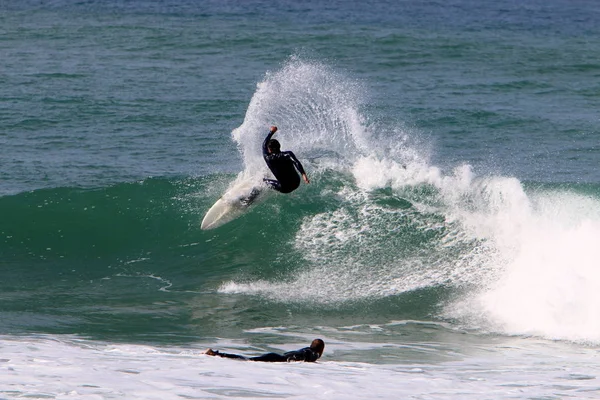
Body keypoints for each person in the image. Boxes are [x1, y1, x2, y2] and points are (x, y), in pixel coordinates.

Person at [262, 126, 309, 193]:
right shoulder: (288, 154)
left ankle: (248, 199)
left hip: (285, 188)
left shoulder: (267, 158)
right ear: (279, 146)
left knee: (263, 181)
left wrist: (271, 132)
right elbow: (296, 162)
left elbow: (264, 145)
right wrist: (303, 174)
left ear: (269, 150)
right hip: (296, 183)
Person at [204, 338, 325, 363]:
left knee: (249, 359)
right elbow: (306, 357)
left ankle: (216, 354)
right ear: (321, 349)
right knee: (248, 359)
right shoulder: (313, 354)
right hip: (277, 358)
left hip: (277, 356)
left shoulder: (307, 349)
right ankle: (216, 354)